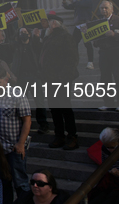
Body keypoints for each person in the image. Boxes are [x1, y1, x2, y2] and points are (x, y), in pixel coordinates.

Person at [0, 67, 32, 202]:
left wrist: (20, 144)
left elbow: (27, 120)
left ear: (6, 80)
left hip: (14, 147)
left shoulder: (17, 95)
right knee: (3, 182)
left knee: (20, 181)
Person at [40, 14, 80, 150]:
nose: (49, 24)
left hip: (61, 79)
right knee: (54, 109)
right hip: (50, 78)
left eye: (52, 22)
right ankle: (59, 135)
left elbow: (72, 58)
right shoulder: (48, 38)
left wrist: (63, 76)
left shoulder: (65, 37)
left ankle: (72, 136)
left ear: (57, 23)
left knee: (65, 108)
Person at [94, 0, 119, 111]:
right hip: (104, 53)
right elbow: (95, 40)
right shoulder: (98, 22)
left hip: (117, 52)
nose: (104, 10)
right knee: (105, 79)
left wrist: (115, 35)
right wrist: (95, 42)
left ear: (112, 9)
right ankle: (108, 103)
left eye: (106, 8)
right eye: (102, 8)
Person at [12, 28, 48, 134]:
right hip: (21, 78)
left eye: (25, 32)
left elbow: (40, 48)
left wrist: (36, 37)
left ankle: (43, 124)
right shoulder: (17, 47)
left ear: (29, 34)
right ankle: (23, 124)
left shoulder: (34, 45)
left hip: (34, 77)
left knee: (39, 102)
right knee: (22, 104)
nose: (23, 34)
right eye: (21, 32)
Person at [62, 0, 96, 69]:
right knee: (74, 43)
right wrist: (64, 0)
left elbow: (79, 4)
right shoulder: (79, 2)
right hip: (78, 26)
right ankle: (75, 61)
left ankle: (90, 62)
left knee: (87, 44)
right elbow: (68, 7)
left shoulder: (88, 0)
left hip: (84, 25)